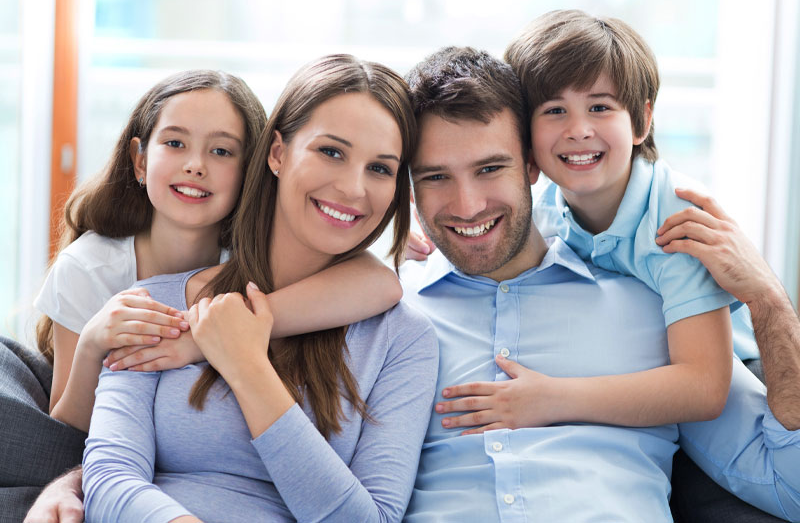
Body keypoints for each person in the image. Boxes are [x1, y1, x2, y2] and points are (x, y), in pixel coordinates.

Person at [400, 46, 800, 521]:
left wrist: (769, 301)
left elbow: (790, 484)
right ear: (408, 185)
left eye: (490, 168)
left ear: (532, 165)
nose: (467, 206)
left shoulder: (653, 311)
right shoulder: (385, 314)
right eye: (436, 177)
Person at [80, 54, 438, 523]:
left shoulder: (404, 340)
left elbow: (371, 519)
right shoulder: (158, 303)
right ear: (277, 153)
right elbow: (107, 479)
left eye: (380, 169)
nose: (353, 188)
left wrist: (247, 366)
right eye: (331, 151)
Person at [33, 69, 404, 433]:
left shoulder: (251, 254)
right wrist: (92, 346)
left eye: (221, 151)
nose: (196, 166)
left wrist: (209, 335)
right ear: (140, 160)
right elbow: (61, 433)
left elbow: (379, 284)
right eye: (175, 143)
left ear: (250, 169)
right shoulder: (89, 268)